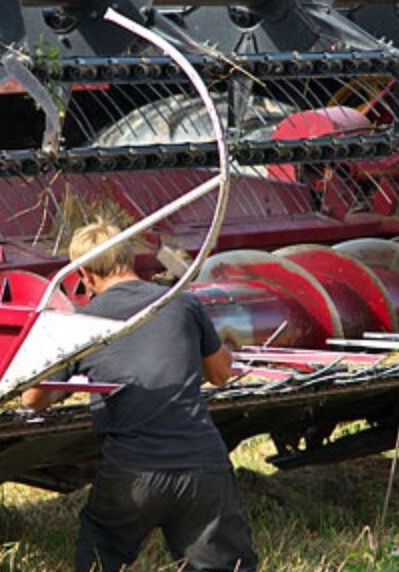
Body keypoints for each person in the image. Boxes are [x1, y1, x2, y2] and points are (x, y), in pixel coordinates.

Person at [23, 221, 257, 572]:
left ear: (84, 274)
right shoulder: (182, 304)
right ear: (130, 258)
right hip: (202, 466)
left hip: (133, 474)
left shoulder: (80, 323)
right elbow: (221, 375)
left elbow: (32, 399)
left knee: (100, 557)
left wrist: (66, 375)